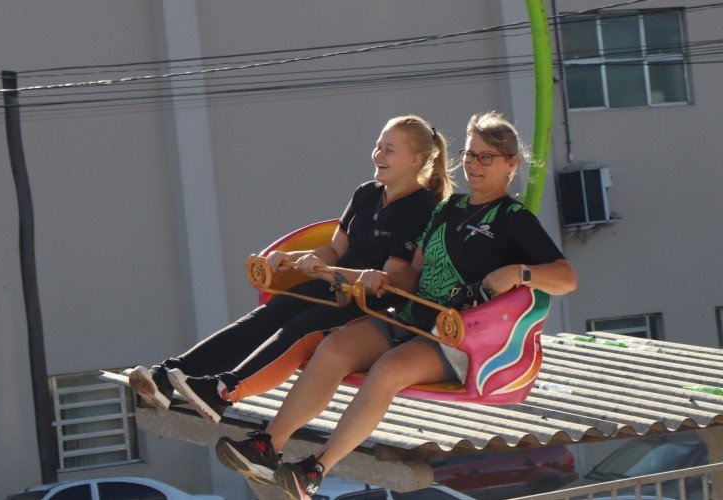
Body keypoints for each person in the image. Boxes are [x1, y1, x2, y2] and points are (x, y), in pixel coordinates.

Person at [215, 111, 578, 499]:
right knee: (333, 347)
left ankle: (316, 468)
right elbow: (412, 275)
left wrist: (518, 272)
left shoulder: (513, 218)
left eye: (486, 156)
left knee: (388, 370)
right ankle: (268, 445)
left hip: (455, 338)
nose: (474, 164)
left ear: (510, 163)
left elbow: (565, 278)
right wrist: (381, 279)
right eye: (470, 155)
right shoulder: (446, 209)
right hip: (409, 317)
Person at [128, 115, 451, 429]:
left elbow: (389, 279)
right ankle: (170, 374)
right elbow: (336, 250)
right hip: (333, 286)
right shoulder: (366, 193)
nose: (378, 154)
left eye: (389, 149)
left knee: (299, 327)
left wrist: (327, 270)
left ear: (415, 160)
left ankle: (224, 390)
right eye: (378, 145)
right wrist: (291, 257)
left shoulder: (422, 208)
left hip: (366, 305)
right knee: (267, 315)